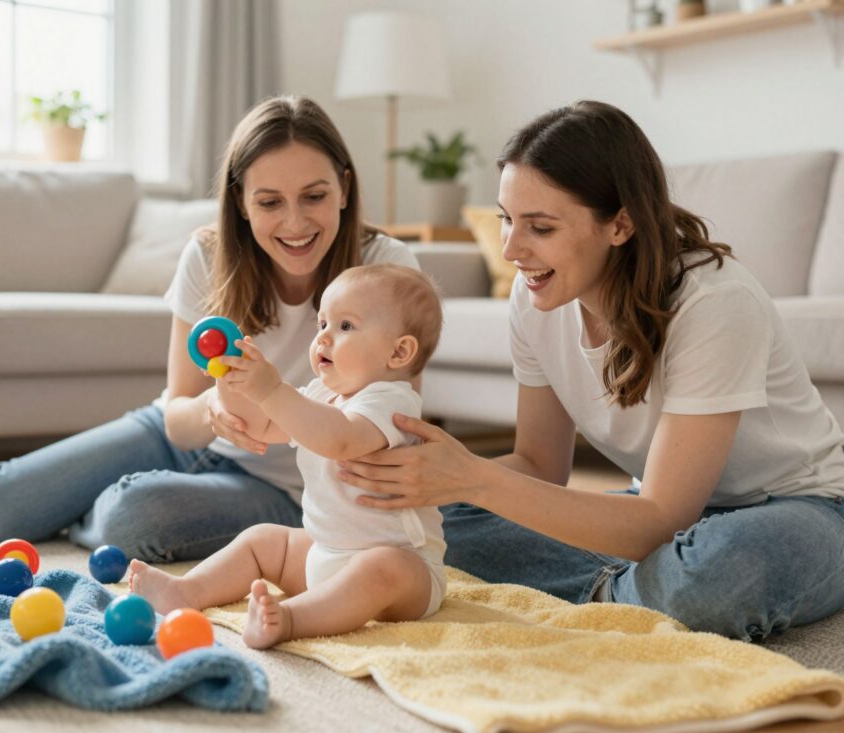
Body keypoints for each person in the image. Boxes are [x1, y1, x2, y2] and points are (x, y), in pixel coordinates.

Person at [335, 100, 844, 642]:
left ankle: (615, 595)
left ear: (620, 224)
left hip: (797, 510)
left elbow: (658, 519)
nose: (510, 249)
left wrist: (474, 476)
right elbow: (539, 464)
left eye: (541, 227)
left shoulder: (714, 302)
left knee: (716, 576)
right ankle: (631, 595)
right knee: (439, 524)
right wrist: (435, 477)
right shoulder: (534, 303)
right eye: (507, 219)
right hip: (669, 527)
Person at [0, 95, 419, 562]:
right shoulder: (207, 255)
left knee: (132, 515)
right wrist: (214, 406)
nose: (295, 222)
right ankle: (85, 509)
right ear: (241, 201)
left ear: (343, 188)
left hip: (281, 484)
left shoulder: (387, 269)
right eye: (269, 202)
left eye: (314, 196)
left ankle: (90, 512)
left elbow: (399, 425)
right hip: (182, 441)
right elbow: (177, 417)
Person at [129, 264, 446, 648]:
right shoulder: (319, 395)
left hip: (406, 573)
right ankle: (188, 591)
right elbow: (260, 426)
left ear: (399, 352)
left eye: (345, 327)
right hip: (324, 553)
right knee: (263, 541)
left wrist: (273, 390)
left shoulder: (393, 402)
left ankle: (290, 620)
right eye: (322, 324)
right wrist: (230, 376)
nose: (324, 338)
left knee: (383, 568)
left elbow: (339, 439)